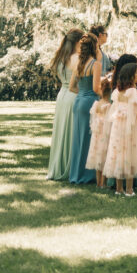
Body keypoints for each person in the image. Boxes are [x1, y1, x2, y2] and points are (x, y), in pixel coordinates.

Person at [103, 60, 137, 196]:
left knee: (119, 153)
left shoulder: (117, 92)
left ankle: (119, 188)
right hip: (132, 128)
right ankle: (129, 189)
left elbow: (115, 109)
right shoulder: (135, 92)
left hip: (118, 127)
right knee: (130, 154)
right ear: (131, 76)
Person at [46, 28, 84, 181]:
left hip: (62, 96)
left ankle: (60, 165)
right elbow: (77, 82)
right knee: (73, 132)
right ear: (77, 41)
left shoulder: (61, 57)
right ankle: (72, 168)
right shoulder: (77, 58)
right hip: (74, 95)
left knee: (63, 132)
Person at [69, 33, 102, 184]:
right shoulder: (95, 64)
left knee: (78, 139)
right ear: (94, 47)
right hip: (90, 103)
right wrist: (109, 96)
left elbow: (72, 87)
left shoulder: (78, 64)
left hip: (78, 102)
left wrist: (83, 94)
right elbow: (96, 88)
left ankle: (76, 173)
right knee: (90, 139)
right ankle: (87, 175)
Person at [85, 71, 114, 189]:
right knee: (105, 158)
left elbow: (93, 120)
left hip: (97, 136)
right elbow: (111, 121)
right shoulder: (109, 106)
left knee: (98, 159)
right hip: (106, 136)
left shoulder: (96, 104)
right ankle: (104, 183)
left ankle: (99, 183)